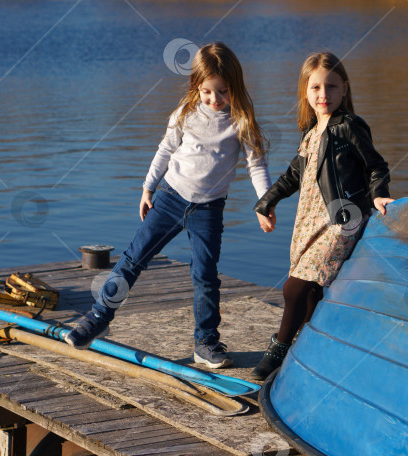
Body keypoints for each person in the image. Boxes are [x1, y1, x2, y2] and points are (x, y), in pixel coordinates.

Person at [65, 42, 271, 369]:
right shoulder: (185, 114)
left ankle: (205, 342)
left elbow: (256, 164)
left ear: (235, 87)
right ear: (196, 86)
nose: (215, 99)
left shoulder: (240, 121)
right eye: (207, 91)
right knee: (134, 258)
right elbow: (164, 151)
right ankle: (99, 316)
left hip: (209, 210)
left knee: (205, 276)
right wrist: (148, 187)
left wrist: (265, 202)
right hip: (170, 199)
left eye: (223, 91)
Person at [250, 51, 394, 380]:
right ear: (306, 91)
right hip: (309, 220)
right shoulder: (311, 131)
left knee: (295, 288)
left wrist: (379, 194)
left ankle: (278, 349)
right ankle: (320, 353)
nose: (323, 95)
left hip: (342, 220)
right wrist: (266, 202)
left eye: (331, 86)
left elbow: (376, 165)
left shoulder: (349, 127)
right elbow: (292, 175)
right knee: (312, 290)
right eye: (315, 87)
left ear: (345, 89)